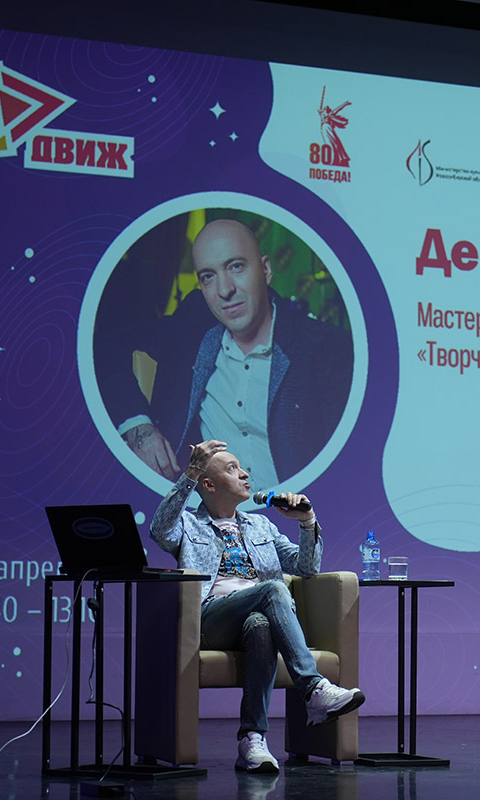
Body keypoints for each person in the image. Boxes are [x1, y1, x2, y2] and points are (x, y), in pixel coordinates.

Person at [150, 438, 365, 773]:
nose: (245, 474)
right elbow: (159, 529)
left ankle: (252, 740)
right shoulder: (188, 524)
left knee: (261, 627)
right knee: (274, 590)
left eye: (242, 467)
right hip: (211, 620)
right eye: (232, 469)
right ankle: (313, 688)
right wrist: (191, 471)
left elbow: (307, 568)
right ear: (208, 484)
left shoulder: (261, 525)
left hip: (257, 617)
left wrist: (307, 521)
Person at [114, 218, 354, 484]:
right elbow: (107, 346)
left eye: (236, 267)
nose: (225, 290)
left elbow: (348, 468)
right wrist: (138, 427)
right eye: (208, 276)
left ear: (266, 270)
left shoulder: (326, 348)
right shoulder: (193, 325)